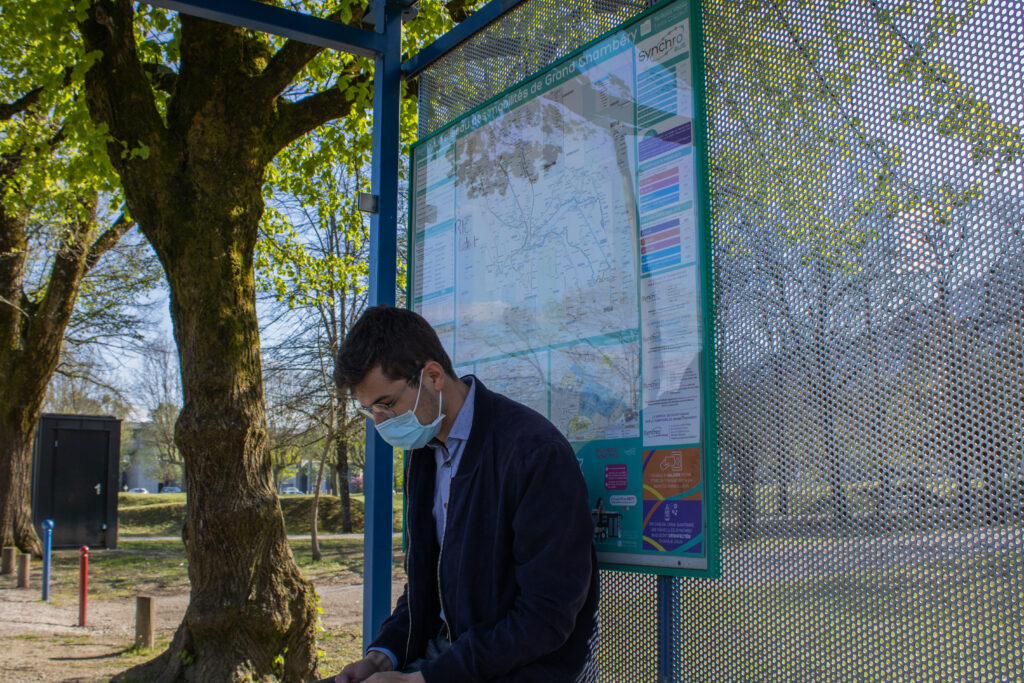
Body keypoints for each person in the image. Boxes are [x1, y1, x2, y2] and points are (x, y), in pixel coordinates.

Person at [327, 305, 598, 683]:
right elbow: (427, 585)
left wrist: (423, 680)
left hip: (521, 669)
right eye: (370, 411)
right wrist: (381, 657)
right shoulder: (425, 454)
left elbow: (545, 617)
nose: (380, 423)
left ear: (433, 376)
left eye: (386, 404)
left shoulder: (533, 454)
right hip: (449, 660)